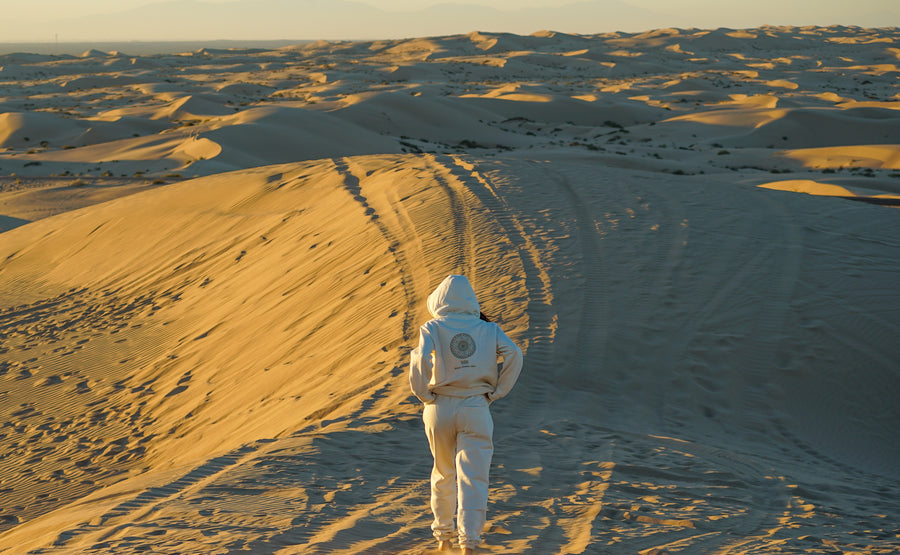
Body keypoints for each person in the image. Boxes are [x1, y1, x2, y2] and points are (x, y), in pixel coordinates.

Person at [409, 275, 524, 553]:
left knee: (443, 472)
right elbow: (515, 355)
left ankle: (443, 539)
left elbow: (420, 358)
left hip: (440, 407)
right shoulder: (489, 328)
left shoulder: (433, 326)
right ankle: (469, 542)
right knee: (474, 477)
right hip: (475, 406)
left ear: (439, 301)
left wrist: (423, 394)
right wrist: (497, 392)